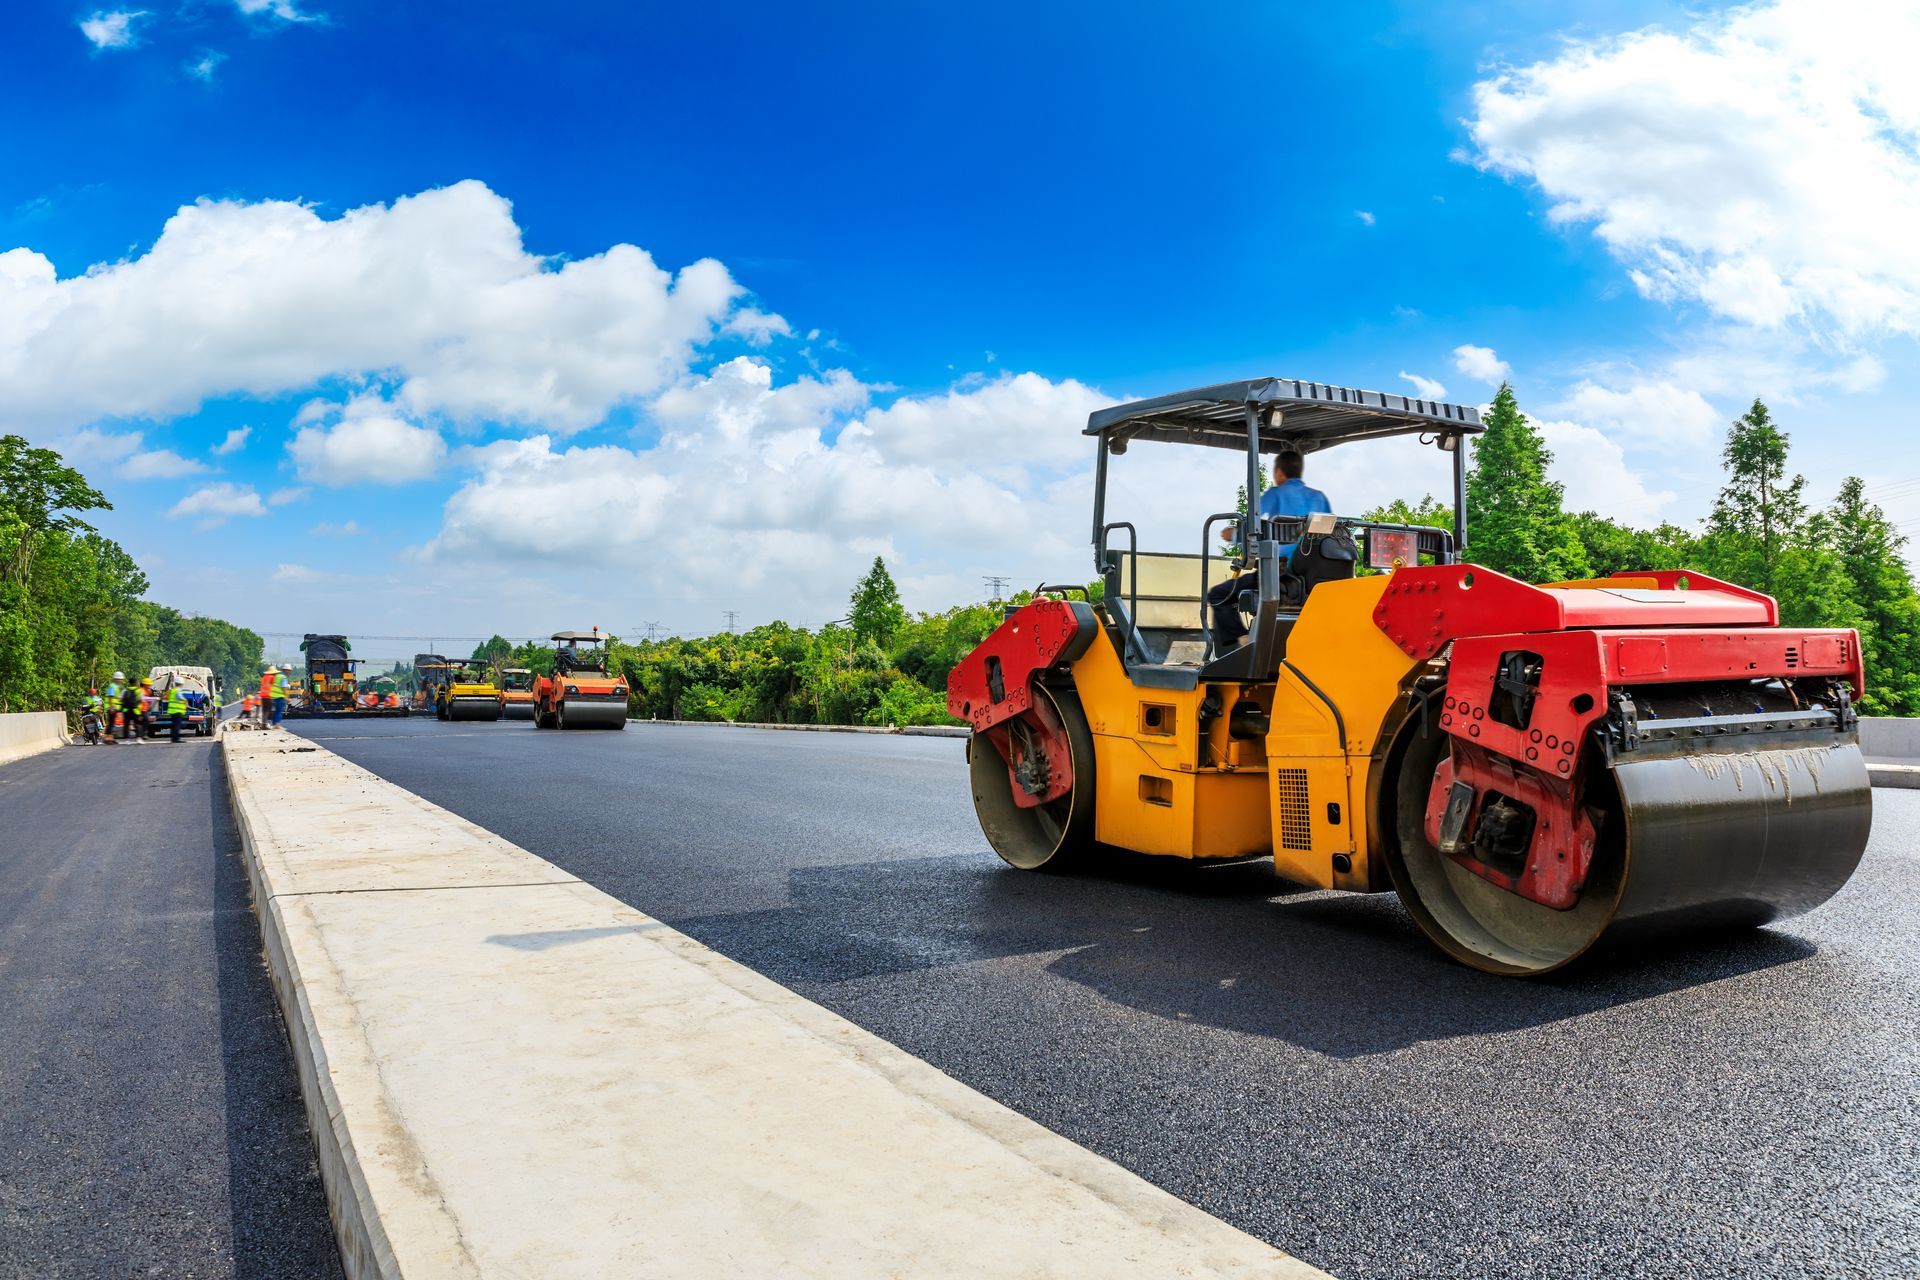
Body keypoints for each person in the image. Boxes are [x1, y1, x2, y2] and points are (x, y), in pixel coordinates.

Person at [1206, 449, 1333, 652]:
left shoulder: (1276, 494)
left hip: (1281, 573)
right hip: (1315, 576)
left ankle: (1239, 646)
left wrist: (1234, 535)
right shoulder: (1320, 498)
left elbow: (1254, 523)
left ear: (1279, 472)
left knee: (1218, 595)